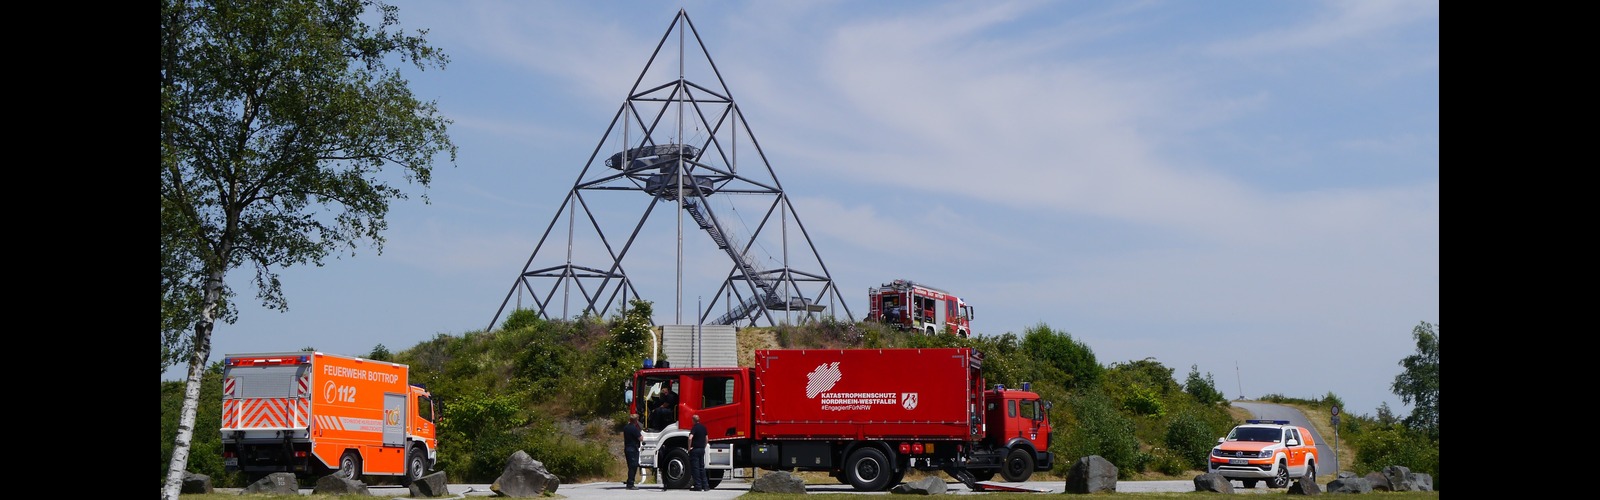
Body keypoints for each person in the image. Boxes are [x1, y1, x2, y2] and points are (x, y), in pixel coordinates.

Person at [688, 414, 709, 491]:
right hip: (701, 449)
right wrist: (704, 446)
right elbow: (707, 438)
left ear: (693, 420)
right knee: (702, 468)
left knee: (695, 468)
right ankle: (706, 486)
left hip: (695, 450)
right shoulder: (703, 427)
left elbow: (690, 438)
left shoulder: (694, 427)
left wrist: (689, 447)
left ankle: (698, 485)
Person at [622, 414, 642, 490]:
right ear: (636, 420)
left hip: (627, 448)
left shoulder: (626, 427)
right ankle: (630, 484)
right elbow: (641, 438)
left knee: (630, 466)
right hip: (633, 449)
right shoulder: (634, 429)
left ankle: (629, 482)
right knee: (633, 467)